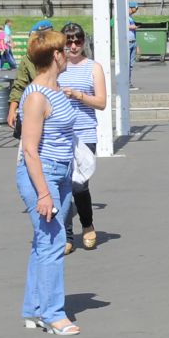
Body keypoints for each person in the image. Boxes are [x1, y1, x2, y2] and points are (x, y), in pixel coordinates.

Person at [15, 28, 85, 334]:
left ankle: (33, 308)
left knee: (43, 242)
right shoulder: (36, 96)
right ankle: (53, 314)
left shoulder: (57, 89)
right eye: (64, 48)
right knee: (54, 242)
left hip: (62, 172)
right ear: (54, 56)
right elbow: (30, 150)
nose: (70, 50)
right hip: (41, 174)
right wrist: (43, 193)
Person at [57, 23, 109, 250]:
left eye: (78, 41)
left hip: (84, 132)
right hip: (58, 134)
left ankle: (87, 225)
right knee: (61, 185)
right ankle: (66, 236)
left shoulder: (93, 67)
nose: (74, 45)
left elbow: (101, 102)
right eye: (69, 41)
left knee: (79, 185)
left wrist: (78, 95)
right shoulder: (56, 66)